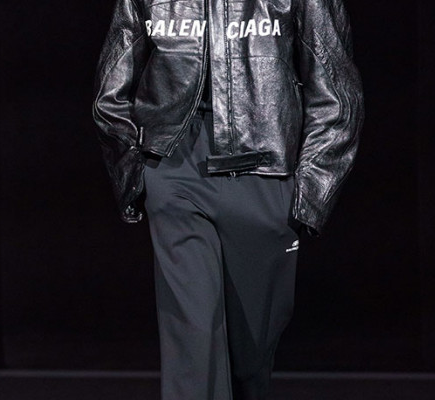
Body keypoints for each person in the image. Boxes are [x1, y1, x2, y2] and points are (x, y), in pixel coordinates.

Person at [92, 0, 364, 398]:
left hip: (265, 173)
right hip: (175, 168)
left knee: (249, 360)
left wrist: (310, 191)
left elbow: (336, 92)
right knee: (193, 339)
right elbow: (112, 87)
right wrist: (138, 168)